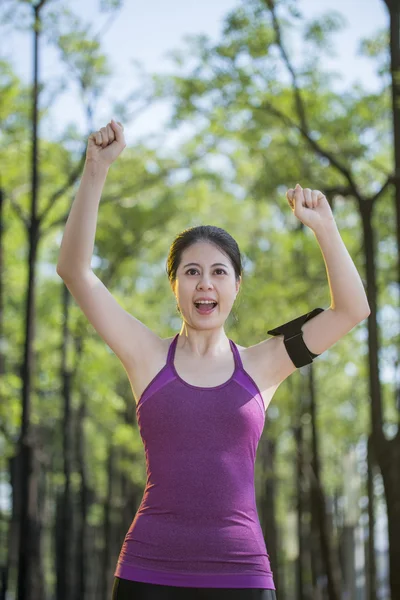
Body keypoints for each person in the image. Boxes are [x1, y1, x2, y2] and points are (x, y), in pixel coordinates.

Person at [56, 121, 370, 600]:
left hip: (241, 575)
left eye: (219, 272)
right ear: (175, 286)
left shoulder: (265, 364)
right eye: (192, 272)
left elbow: (352, 310)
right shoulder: (145, 356)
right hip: (147, 574)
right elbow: (75, 271)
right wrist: (96, 168)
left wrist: (325, 227)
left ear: (236, 287)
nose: (206, 283)